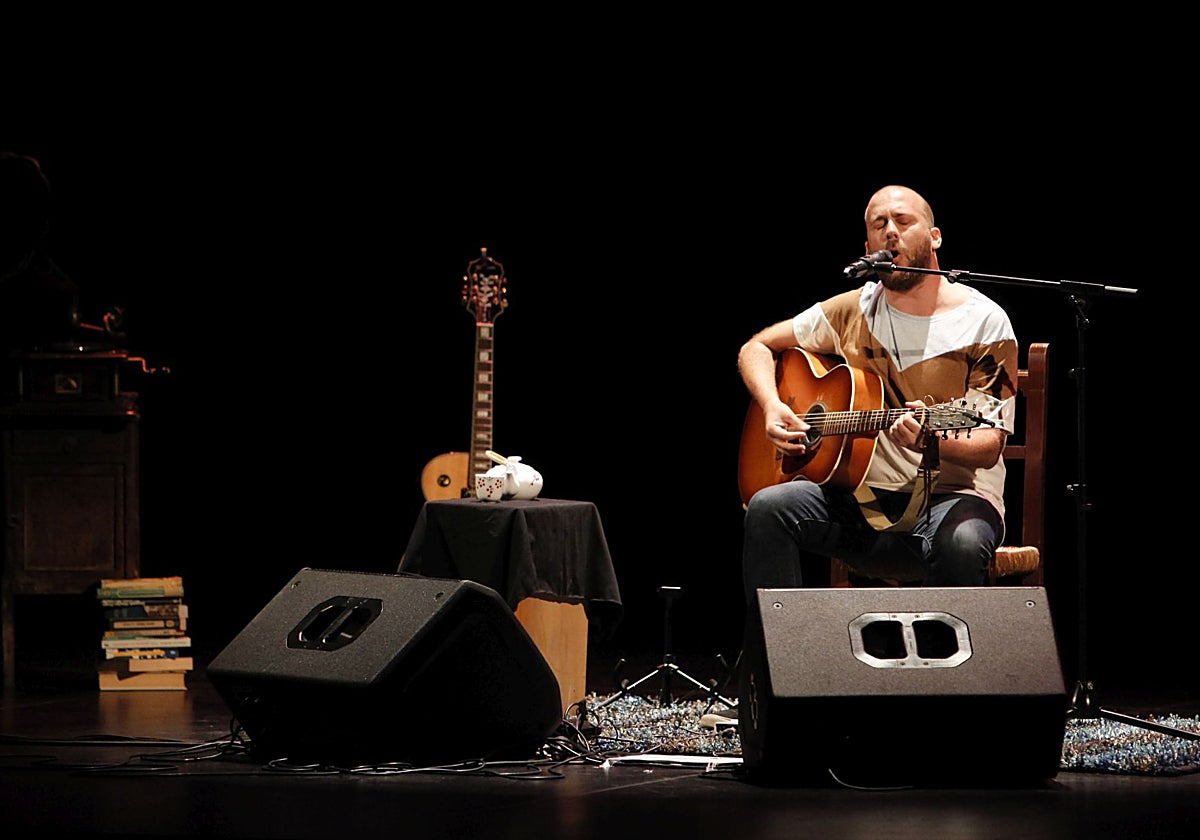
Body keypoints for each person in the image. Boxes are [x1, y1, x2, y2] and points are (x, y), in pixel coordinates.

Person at [738, 184, 1018, 602]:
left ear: (935, 236)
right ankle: (774, 665)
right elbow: (756, 347)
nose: (891, 232)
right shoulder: (852, 309)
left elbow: (988, 445)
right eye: (879, 224)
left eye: (904, 221)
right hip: (860, 502)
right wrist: (773, 405)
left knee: (962, 544)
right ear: (867, 246)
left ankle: (944, 666)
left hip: (950, 501)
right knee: (768, 508)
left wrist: (931, 440)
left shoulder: (983, 322)